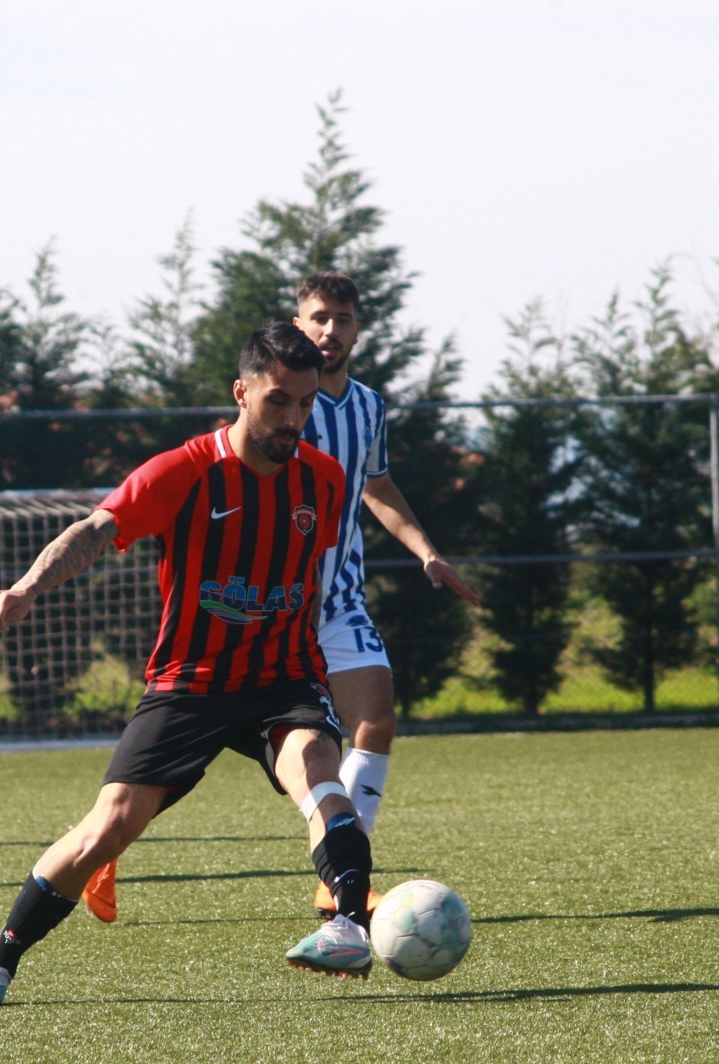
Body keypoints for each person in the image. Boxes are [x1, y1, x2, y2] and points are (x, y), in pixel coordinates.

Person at [0, 323, 374, 1013]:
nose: (293, 418)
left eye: (303, 404)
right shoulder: (183, 471)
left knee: (318, 772)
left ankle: (346, 924)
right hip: (190, 682)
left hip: (281, 677)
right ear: (241, 394)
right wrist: (24, 590)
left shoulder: (321, 482)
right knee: (108, 825)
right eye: (277, 402)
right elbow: (93, 530)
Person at [79, 273, 482, 924]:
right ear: (296, 325)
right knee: (179, 768)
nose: (329, 330)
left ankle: (339, 885)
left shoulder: (367, 408)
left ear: (356, 329)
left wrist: (423, 549)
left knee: (373, 717)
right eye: (317, 318)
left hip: (335, 591)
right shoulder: (275, 395)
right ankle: (105, 845)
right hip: (264, 600)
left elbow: (374, 486)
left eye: (343, 319)